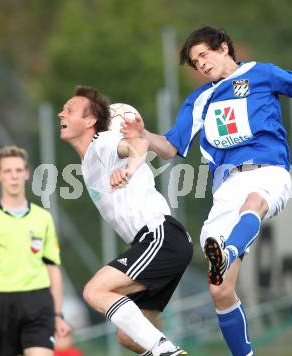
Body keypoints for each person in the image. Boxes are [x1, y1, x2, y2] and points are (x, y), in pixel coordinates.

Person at [120, 26, 292, 356]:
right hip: (226, 187)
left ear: (224, 48)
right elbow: (168, 147)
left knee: (254, 202)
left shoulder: (262, 74)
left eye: (205, 55)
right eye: (195, 62)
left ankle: (228, 251)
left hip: (268, 170)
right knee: (219, 290)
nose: (202, 65)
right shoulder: (199, 101)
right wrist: (142, 134)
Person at [58, 85, 192, 356]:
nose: (61, 113)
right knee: (129, 337)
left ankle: (167, 351)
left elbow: (137, 144)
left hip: (159, 236)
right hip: (161, 243)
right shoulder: (89, 161)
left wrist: (130, 166)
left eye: (70, 110)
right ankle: (165, 349)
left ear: (90, 121)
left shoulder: (101, 144)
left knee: (95, 291)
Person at [0, 145, 72, 355]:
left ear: (27, 174)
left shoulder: (43, 217)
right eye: (7, 171)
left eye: (19, 170)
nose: (14, 176)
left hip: (37, 301)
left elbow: (53, 269)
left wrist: (58, 314)